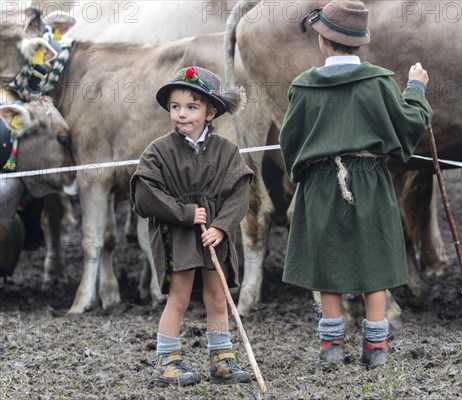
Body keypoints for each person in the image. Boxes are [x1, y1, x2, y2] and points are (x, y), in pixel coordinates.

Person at [279, 0, 433, 371]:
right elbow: (408, 125)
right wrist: (416, 88)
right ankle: (375, 348)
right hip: (371, 182)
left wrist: (301, 175)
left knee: (327, 261)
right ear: (359, 42)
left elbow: (289, 140)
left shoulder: (303, 86)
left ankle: (331, 346)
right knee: (374, 259)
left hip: (321, 182)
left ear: (323, 41)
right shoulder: (379, 81)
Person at [130, 65, 254, 386]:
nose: (181, 114)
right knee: (180, 297)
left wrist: (222, 227)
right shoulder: (159, 152)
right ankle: (167, 360)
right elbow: (145, 194)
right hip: (179, 236)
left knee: (217, 296)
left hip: (215, 238)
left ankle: (222, 357)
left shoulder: (227, 152)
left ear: (211, 112)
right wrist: (184, 213)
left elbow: (240, 192)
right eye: (175, 107)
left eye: (191, 107)